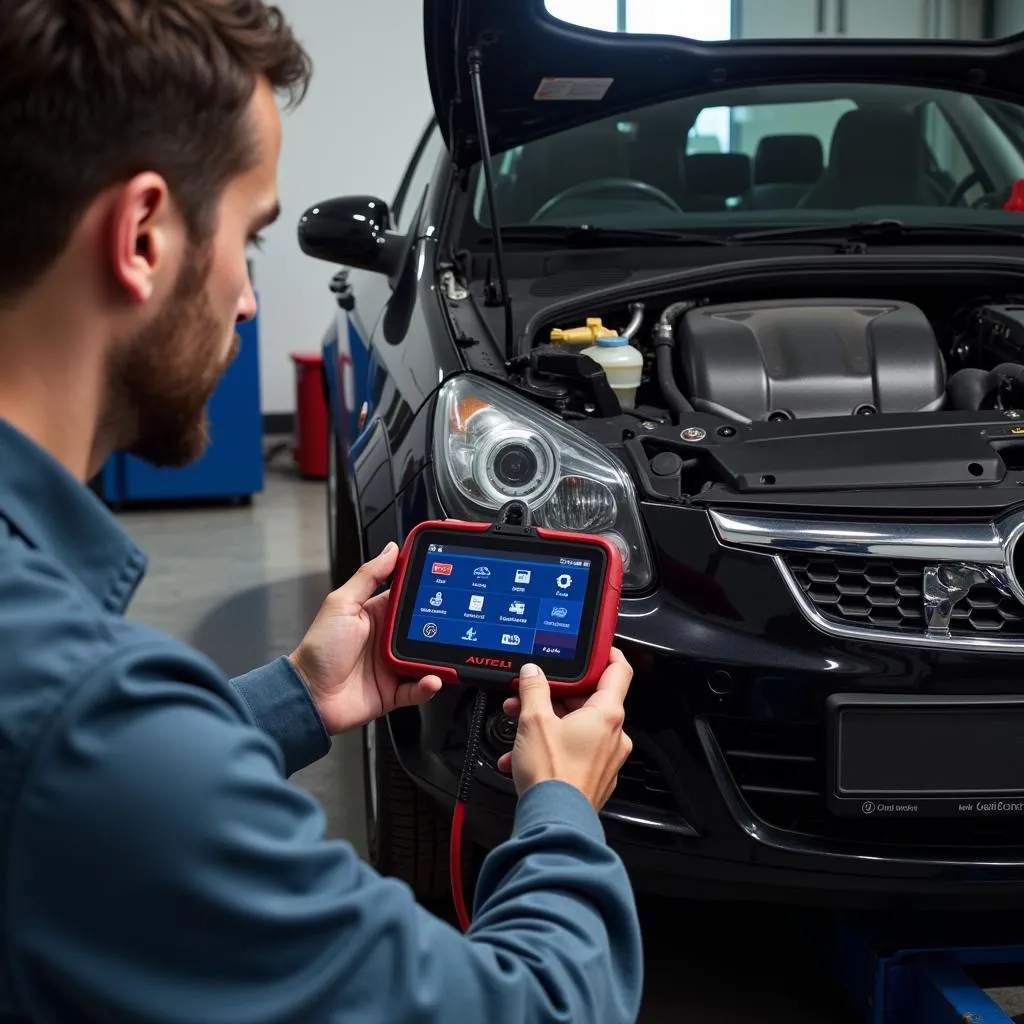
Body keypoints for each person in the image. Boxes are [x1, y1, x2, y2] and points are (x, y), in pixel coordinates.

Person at [0, 2, 644, 1021]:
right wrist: (559, 810)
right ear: (142, 235)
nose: (248, 300)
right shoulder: (79, 710)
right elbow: (530, 1010)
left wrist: (297, 695)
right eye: (248, 240)